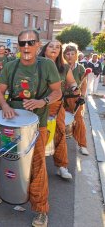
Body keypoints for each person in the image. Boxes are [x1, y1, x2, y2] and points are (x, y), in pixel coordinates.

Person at [0, 29, 62, 227]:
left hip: (36, 125)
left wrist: (42, 101)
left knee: (37, 167)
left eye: (31, 42)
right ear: (18, 46)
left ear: (38, 45)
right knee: (3, 159)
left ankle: (40, 209)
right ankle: (4, 189)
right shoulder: (11, 66)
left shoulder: (46, 65)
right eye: (22, 43)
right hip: (11, 125)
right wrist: (4, 106)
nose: (27, 47)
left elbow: (57, 92)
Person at [39, 41, 79, 179]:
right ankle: (33, 165)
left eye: (57, 47)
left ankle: (61, 166)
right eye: (51, 46)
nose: (54, 48)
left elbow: (72, 82)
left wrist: (75, 88)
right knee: (36, 136)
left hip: (57, 107)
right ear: (45, 50)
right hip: (37, 107)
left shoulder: (64, 67)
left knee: (60, 134)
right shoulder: (36, 64)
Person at [63, 43, 89, 155]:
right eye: (67, 54)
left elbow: (84, 85)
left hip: (75, 99)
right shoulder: (61, 67)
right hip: (62, 98)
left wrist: (82, 97)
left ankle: (82, 145)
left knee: (78, 121)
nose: (70, 56)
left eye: (72, 54)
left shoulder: (80, 68)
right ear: (64, 55)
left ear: (76, 55)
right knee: (61, 121)